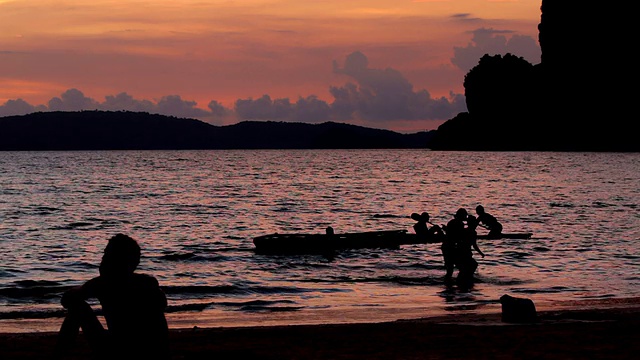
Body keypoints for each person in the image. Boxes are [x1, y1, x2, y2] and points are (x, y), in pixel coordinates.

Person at [54, 234, 170, 360]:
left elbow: (67, 300)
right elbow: (162, 304)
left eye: (107, 256)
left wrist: (80, 290)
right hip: (154, 352)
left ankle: (59, 355)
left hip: (120, 352)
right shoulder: (147, 282)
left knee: (77, 308)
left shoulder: (104, 283)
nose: (102, 260)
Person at [455, 214, 485, 287]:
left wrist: (481, 253)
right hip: (464, 252)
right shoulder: (468, 231)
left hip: (465, 252)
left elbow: (474, 245)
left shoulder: (470, 231)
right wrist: (481, 253)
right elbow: (473, 244)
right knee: (471, 266)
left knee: (470, 266)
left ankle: (464, 279)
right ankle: (464, 279)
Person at [441, 208, 468, 280]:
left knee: (450, 268)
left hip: (446, 246)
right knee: (459, 267)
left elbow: (450, 233)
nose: (466, 217)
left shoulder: (452, 222)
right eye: (465, 215)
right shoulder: (460, 223)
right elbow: (459, 236)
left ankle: (448, 282)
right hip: (451, 247)